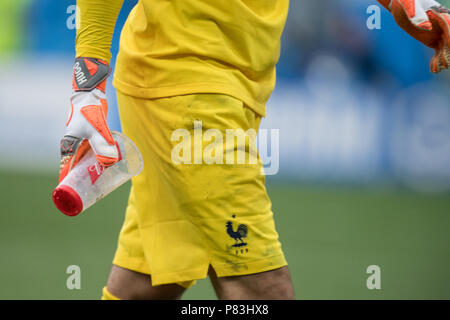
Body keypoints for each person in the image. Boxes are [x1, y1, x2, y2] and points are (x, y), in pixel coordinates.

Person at [58, 0, 449, 300]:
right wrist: (87, 85)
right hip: (186, 89)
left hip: (220, 86)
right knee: (261, 287)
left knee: (144, 283)